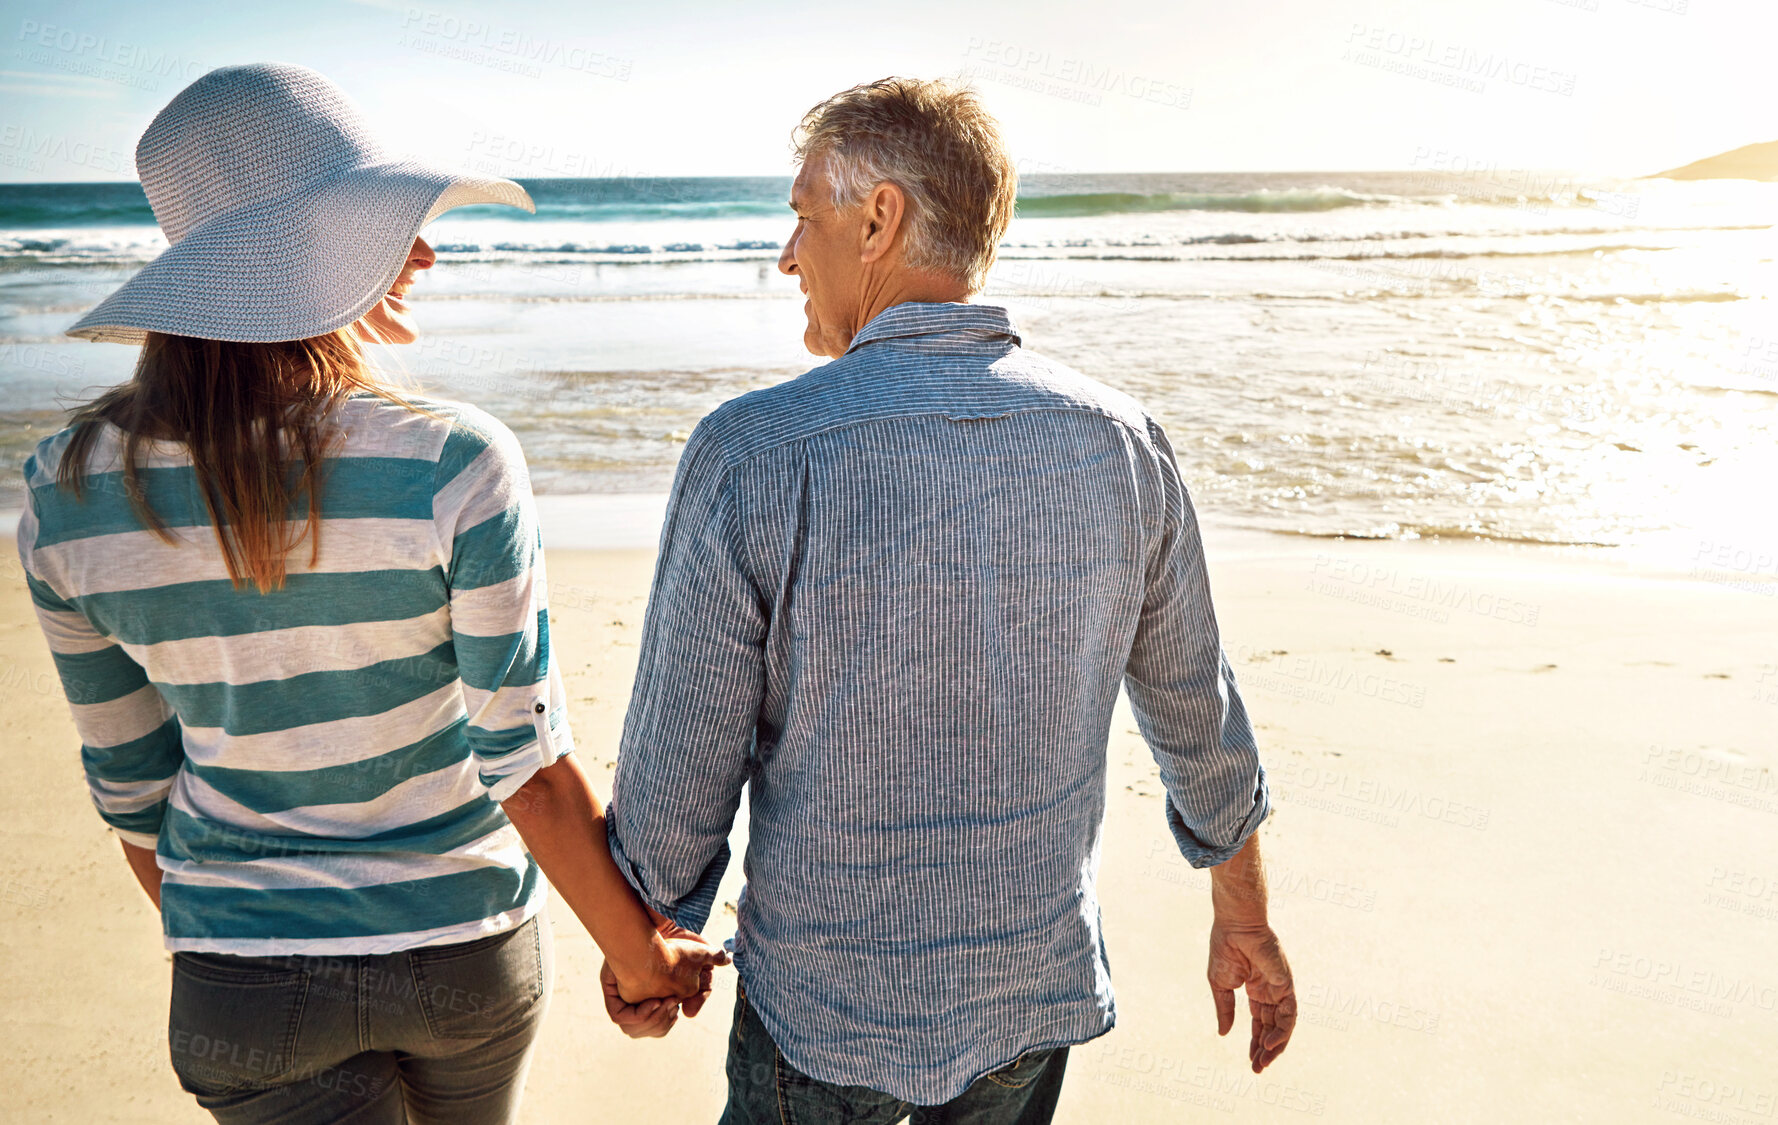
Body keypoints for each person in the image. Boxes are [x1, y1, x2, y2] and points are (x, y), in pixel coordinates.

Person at [20, 63, 724, 1125]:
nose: (424, 250)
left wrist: (243, 943)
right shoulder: (452, 463)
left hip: (241, 984)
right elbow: (522, 767)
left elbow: (132, 789)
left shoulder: (68, 493)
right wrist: (638, 959)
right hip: (463, 960)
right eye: (381, 222)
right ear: (303, 247)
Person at [603, 78, 1297, 1123]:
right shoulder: (1119, 442)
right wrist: (1241, 912)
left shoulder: (751, 454)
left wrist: (644, 938)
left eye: (801, 215)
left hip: (820, 1017)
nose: (787, 255)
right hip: (1026, 1005)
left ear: (875, 218)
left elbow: (674, 789)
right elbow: (1196, 712)